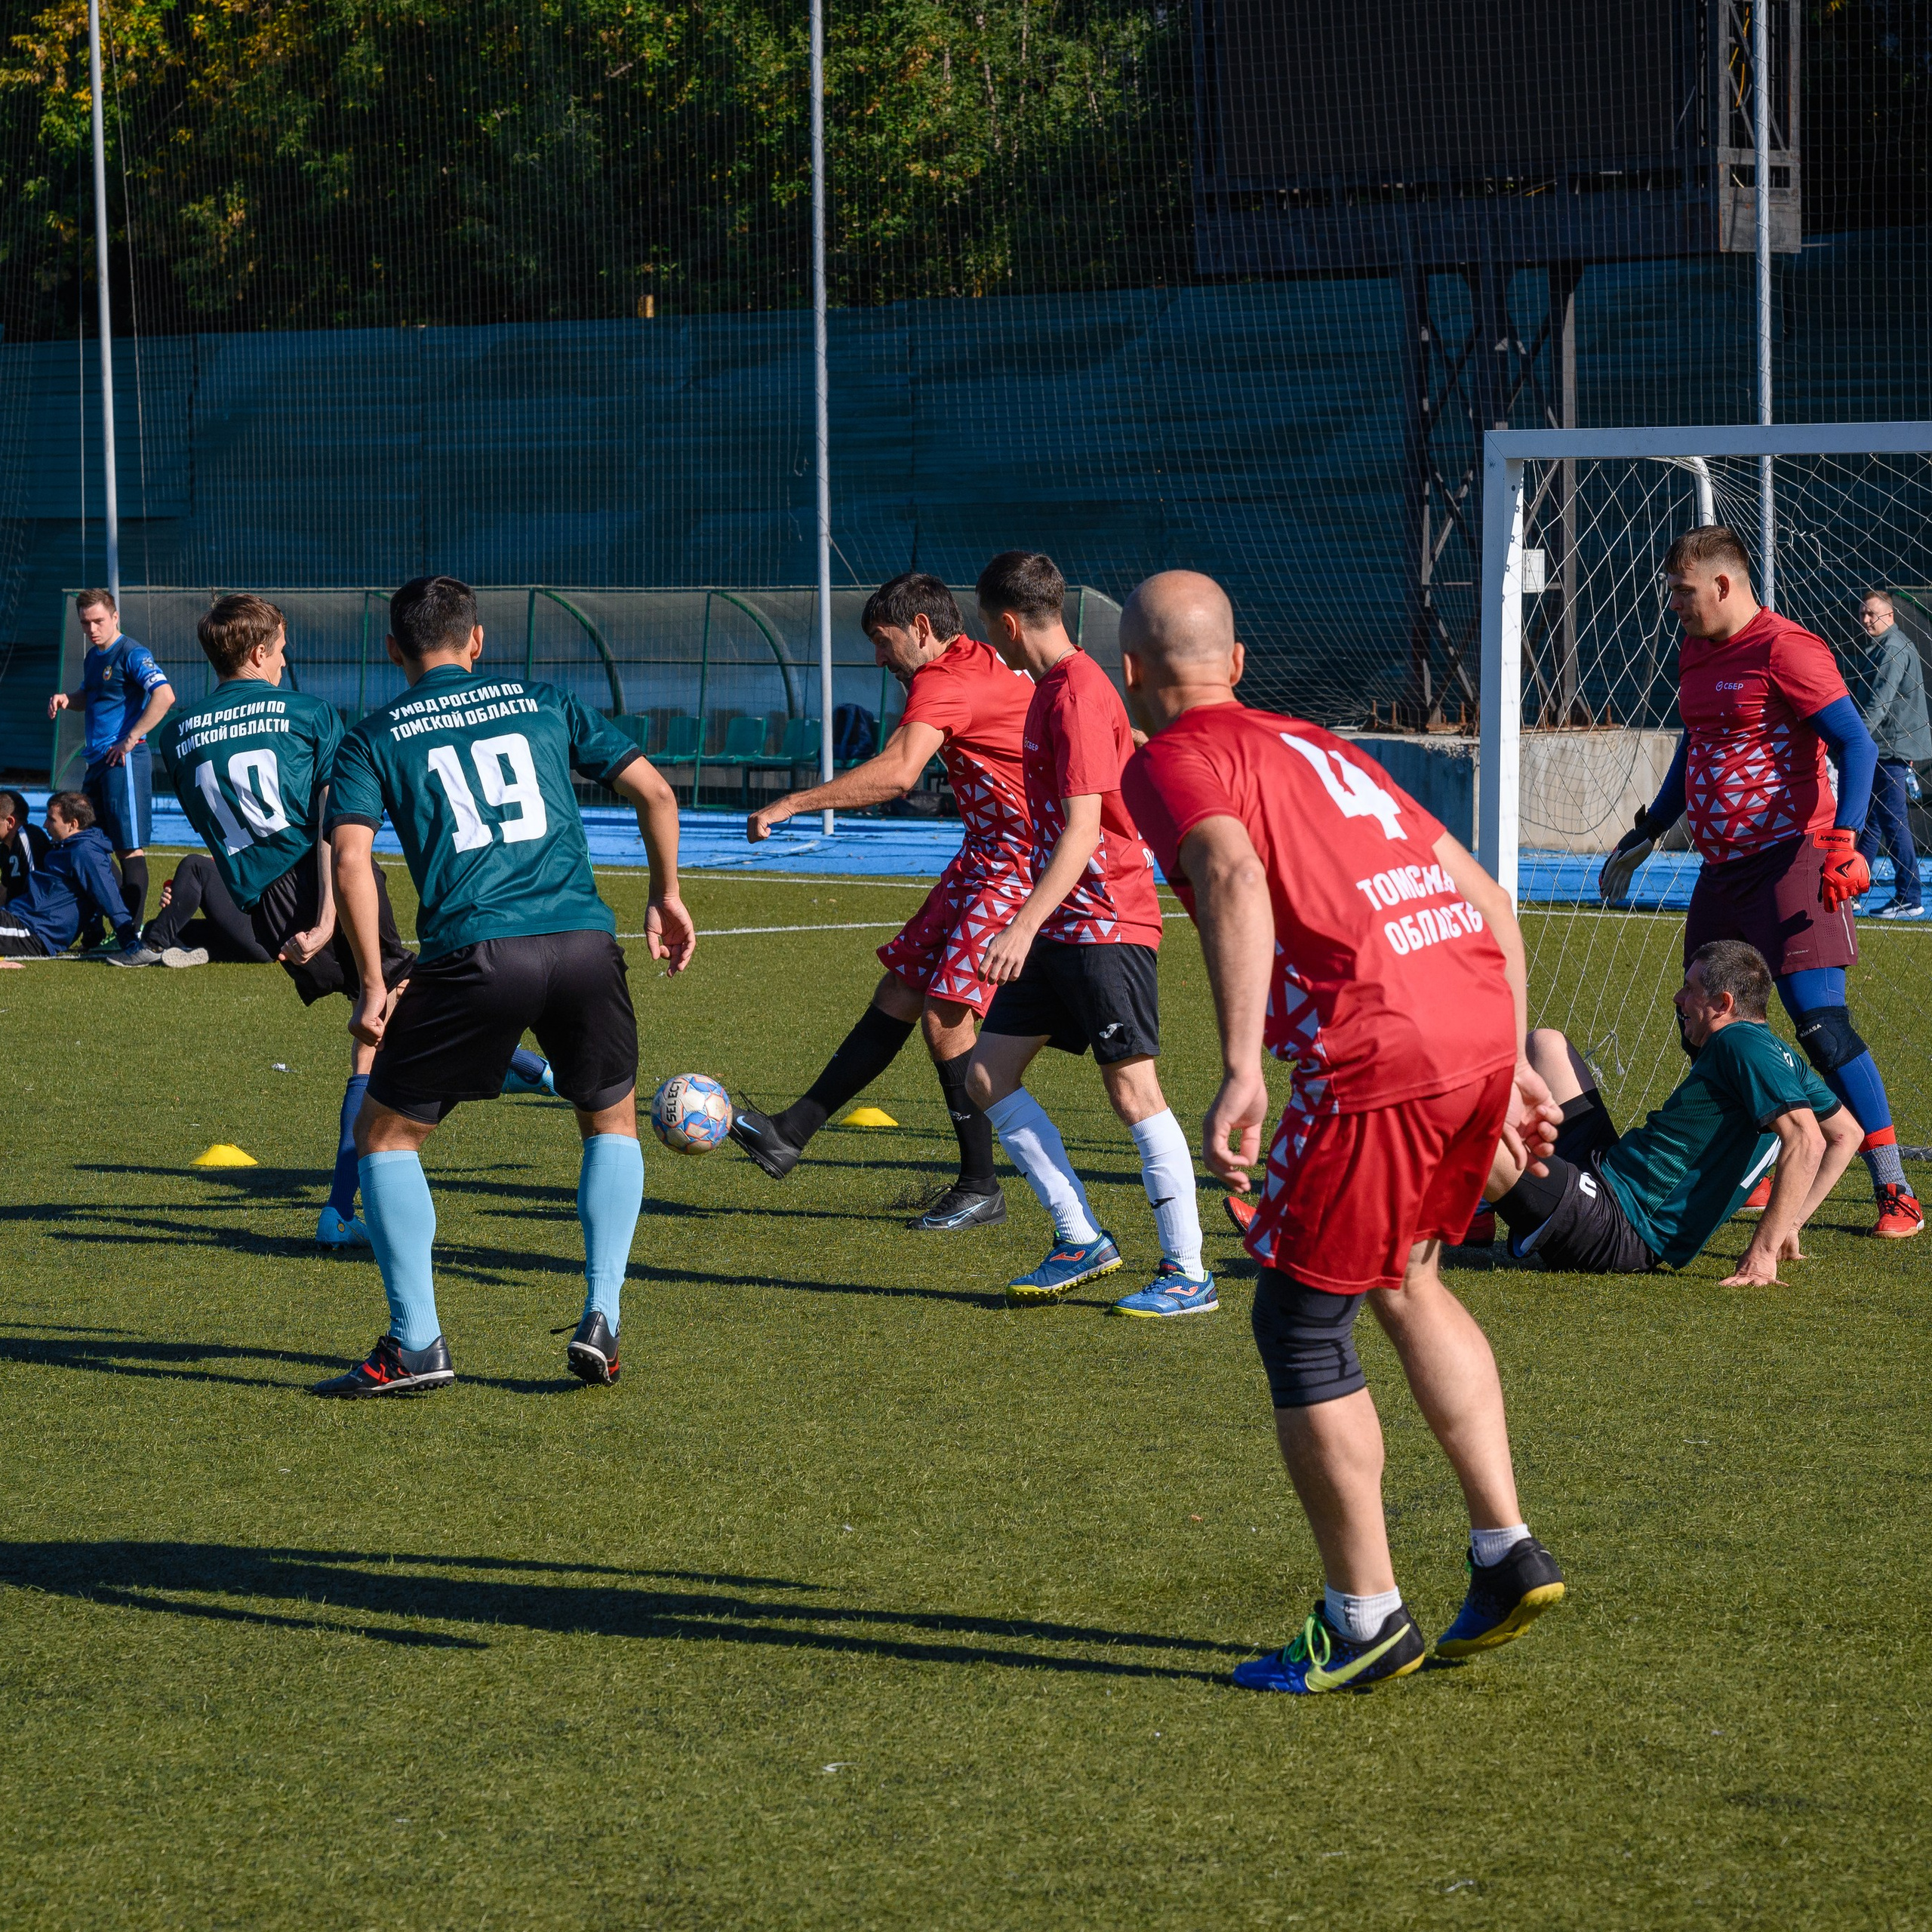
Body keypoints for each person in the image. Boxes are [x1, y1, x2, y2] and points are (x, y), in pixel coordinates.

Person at [1118, 569, 1565, 1694]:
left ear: (1131, 674)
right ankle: (1505, 1551)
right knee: (1407, 1274)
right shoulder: (1318, 743)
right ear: (1239, 662)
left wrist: (1233, 1070)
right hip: (1467, 1010)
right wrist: (1506, 1060)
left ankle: (1363, 1618)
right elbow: (1487, 899)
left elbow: (1226, 871)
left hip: (1381, 1046)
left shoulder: (1171, 757)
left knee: (1300, 1322)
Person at [315, 574, 696, 1395]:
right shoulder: (545, 701)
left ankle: (416, 1345)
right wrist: (665, 894)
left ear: (393, 651)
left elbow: (351, 858)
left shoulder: (371, 735)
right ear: (477, 641)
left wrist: (376, 981)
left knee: (385, 1138)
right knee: (610, 1121)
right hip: (585, 943)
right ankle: (603, 1315)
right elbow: (657, 792)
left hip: (478, 952)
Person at [1599, 528, 1921, 1239]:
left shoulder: (1787, 648)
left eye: (1683, 591)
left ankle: (1893, 1186)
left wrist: (1845, 841)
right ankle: (1756, 1160)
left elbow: (1856, 743)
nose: (1673, 604)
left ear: (1723, 584)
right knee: (1706, 1020)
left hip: (1793, 859)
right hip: (1723, 871)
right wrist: (1647, 831)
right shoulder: (1694, 652)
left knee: (1819, 1024)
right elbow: (1697, 743)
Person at [729, 573, 1032, 1230]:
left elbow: (898, 773)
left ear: (922, 628)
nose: (879, 657)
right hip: (987, 853)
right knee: (901, 991)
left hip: (1023, 860)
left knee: (948, 1015)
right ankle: (791, 1131)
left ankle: (982, 1185)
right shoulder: (977, 660)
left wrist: (791, 803)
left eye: (882, 640)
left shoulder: (944, 680)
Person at [959, 552, 1213, 1318]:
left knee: (1133, 1091)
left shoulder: (1071, 694)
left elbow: (1083, 829)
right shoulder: (1061, 691)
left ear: (1007, 622)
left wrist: (1019, 924)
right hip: (1065, 925)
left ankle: (1188, 1270)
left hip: (1102, 920)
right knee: (986, 1076)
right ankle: (1080, 1236)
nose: (990, 642)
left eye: (988, 628)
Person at [156, 594, 429, 1244]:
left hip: (263, 899)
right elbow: (339, 829)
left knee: (402, 1015)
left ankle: (528, 1072)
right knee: (390, 1016)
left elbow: (215, 828)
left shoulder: (178, 732)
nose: (285, 661)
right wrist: (332, 915)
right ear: (257, 652)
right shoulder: (307, 714)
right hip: (319, 883)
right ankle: (338, 1211)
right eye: (280, 649)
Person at [1485, 942, 1863, 1281]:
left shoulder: (1739, 1042)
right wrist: (1790, 1223)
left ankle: (1474, 1204)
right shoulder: (1780, 1055)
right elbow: (1847, 1135)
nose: (1678, 998)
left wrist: (1764, 1251)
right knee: (1547, 1045)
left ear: (1724, 1004)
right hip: (1608, 1172)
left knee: (1472, 1131)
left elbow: (1808, 1140)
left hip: (1619, 1225)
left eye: (1691, 989)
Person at [47, 589, 174, 935]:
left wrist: (131, 738)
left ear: (115, 617)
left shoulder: (133, 653)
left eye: (98, 621)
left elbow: (165, 695)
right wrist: (65, 699)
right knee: (91, 843)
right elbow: (90, 696)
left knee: (127, 847)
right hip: (98, 762)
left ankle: (129, 933)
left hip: (125, 763)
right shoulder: (94, 658)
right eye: (85, 623)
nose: (92, 628)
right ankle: (106, 925)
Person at [0, 791, 152, 964]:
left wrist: (131, 944)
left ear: (72, 824)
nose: (45, 825)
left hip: (33, 930)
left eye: (51, 819)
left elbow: (110, 900)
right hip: (17, 919)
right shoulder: (67, 848)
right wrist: (92, 937)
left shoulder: (85, 852)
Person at [1852, 590, 1930, 920]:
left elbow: (1879, 704)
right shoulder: (1882, 647)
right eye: (1863, 614)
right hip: (1884, 747)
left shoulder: (1893, 649)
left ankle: (1909, 897)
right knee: (1871, 822)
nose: (1866, 619)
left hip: (1891, 748)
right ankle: (1852, 891)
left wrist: (1853, 740)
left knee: (1892, 823)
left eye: (1872, 614)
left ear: (1890, 615)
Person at [140, 853, 275, 967]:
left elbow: (204, 874)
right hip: (257, 938)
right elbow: (220, 870)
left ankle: (151, 948)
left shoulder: (275, 841)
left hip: (264, 936)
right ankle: (197, 952)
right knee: (152, 928)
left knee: (194, 866)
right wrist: (175, 890)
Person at [0, 789, 50, 903]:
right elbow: (5, 888)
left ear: (10, 822)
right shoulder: (5, 847)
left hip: (32, 916)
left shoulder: (28, 838)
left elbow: (37, 891)